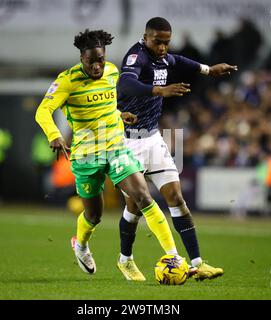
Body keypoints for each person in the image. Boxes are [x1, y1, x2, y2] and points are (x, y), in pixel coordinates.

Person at [35, 29, 184, 275]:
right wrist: (54, 135)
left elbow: (106, 105)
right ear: (81, 57)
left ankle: (174, 257)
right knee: (94, 216)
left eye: (100, 60)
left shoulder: (113, 71)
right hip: (86, 154)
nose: (96, 66)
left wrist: (118, 114)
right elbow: (42, 111)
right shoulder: (66, 81)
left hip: (116, 146)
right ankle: (81, 244)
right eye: (90, 61)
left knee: (143, 196)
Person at [116, 17, 238, 281]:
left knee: (176, 198)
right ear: (145, 37)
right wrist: (160, 90)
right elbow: (125, 84)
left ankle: (197, 263)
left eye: (166, 43)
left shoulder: (164, 57)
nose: (162, 47)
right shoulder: (136, 57)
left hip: (152, 138)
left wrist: (208, 69)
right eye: (157, 42)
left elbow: (179, 61)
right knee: (135, 207)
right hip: (125, 142)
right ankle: (125, 260)